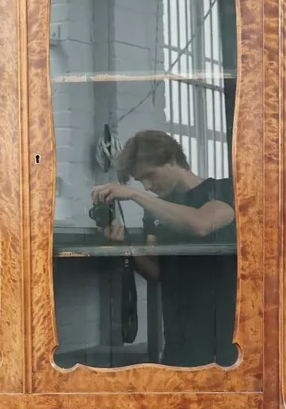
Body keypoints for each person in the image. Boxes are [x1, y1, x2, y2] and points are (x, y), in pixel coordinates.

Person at [92, 129, 237, 367]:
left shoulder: (223, 190)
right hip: (178, 337)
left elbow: (201, 224)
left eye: (150, 175)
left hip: (223, 336)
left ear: (172, 161)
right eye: (141, 181)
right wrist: (125, 246)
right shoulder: (156, 211)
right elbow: (155, 272)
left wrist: (135, 194)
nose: (148, 186)